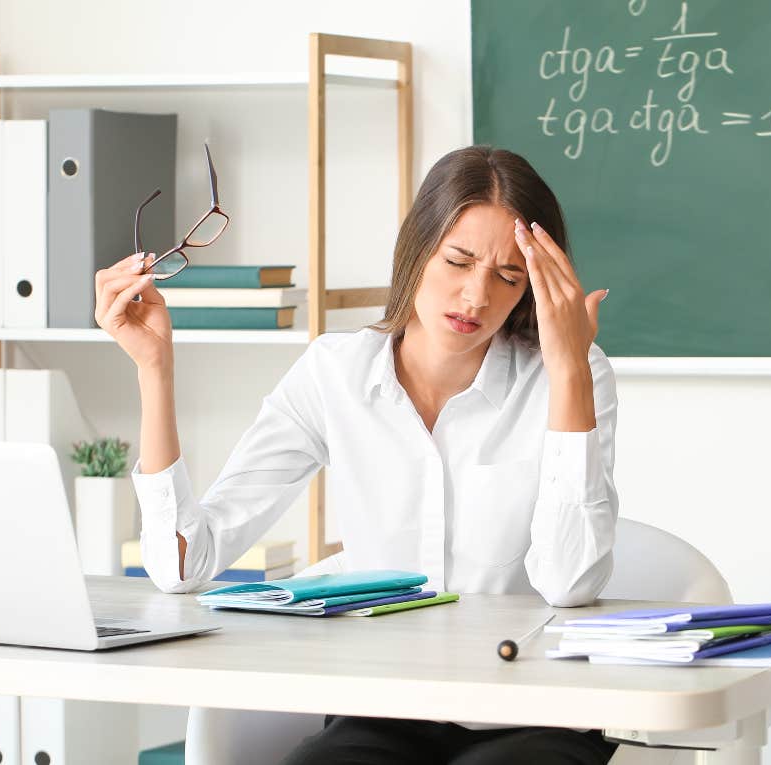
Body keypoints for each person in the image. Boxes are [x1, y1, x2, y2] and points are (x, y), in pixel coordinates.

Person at [95, 145, 618, 765]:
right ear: (417, 248)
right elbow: (183, 566)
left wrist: (569, 370)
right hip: (382, 708)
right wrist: (155, 371)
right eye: (458, 260)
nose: (476, 295)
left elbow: (571, 583)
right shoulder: (334, 374)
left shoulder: (570, 377)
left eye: (508, 276)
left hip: (536, 708)